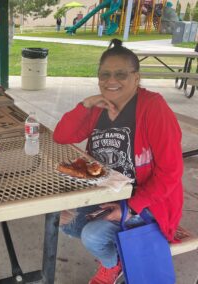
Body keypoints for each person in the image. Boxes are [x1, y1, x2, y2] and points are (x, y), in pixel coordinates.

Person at [53, 39, 183, 284]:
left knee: (92, 235)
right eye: (105, 74)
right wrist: (87, 104)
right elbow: (62, 136)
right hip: (107, 195)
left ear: (136, 77)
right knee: (61, 221)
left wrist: (129, 207)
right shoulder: (99, 108)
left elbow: (171, 173)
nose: (111, 81)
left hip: (148, 204)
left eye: (121, 74)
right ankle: (116, 254)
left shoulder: (153, 108)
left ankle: (112, 266)